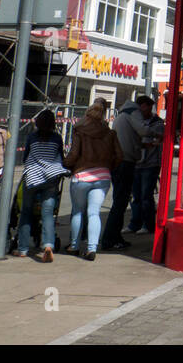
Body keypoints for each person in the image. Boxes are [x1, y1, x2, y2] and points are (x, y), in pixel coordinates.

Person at [65, 99, 121, 260]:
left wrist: (66, 165)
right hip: (103, 176)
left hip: (82, 176)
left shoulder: (79, 131)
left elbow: (74, 154)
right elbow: (119, 155)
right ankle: (92, 248)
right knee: (94, 212)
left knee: (77, 211)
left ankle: (74, 246)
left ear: (87, 115)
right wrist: (108, 167)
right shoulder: (110, 134)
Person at [100, 95, 154, 250]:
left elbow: (128, 138)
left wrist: (142, 146)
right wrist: (158, 133)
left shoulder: (123, 114)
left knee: (120, 201)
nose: (148, 114)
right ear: (142, 105)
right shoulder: (134, 112)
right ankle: (110, 239)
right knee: (120, 203)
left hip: (118, 161)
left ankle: (115, 237)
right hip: (126, 162)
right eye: (148, 109)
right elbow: (143, 130)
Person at [14, 109, 67, 261]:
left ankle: (23, 249)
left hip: (32, 178)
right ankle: (48, 245)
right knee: (48, 213)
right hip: (50, 180)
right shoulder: (57, 138)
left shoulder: (32, 137)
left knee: (26, 212)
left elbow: (25, 158)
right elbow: (61, 157)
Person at [126, 105, 164, 234]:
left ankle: (147, 225)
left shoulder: (158, 124)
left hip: (150, 164)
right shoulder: (136, 122)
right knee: (136, 196)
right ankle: (135, 223)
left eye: (144, 109)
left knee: (146, 196)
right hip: (138, 163)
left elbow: (156, 141)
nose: (142, 112)